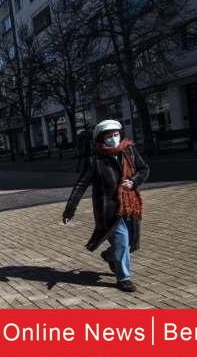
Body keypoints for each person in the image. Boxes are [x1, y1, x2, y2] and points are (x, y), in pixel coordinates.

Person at [62, 119, 150, 292]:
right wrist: (69, 210)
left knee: (130, 242)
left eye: (116, 134)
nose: (113, 138)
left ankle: (110, 256)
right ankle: (124, 278)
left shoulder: (129, 150)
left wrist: (134, 181)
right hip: (108, 209)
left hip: (130, 204)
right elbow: (81, 185)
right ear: (101, 138)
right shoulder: (95, 160)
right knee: (122, 241)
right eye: (109, 136)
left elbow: (144, 169)